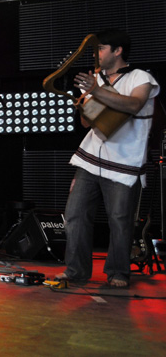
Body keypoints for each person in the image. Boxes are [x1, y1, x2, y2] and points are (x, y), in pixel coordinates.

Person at [55, 29, 159, 288]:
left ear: (117, 50)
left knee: (120, 219)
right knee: (75, 214)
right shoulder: (96, 79)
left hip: (125, 162)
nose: (97, 53)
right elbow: (86, 123)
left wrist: (96, 90)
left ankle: (118, 272)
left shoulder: (141, 77)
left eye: (101, 48)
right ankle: (76, 270)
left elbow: (133, 105)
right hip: (89, 159)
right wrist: (84, 103)